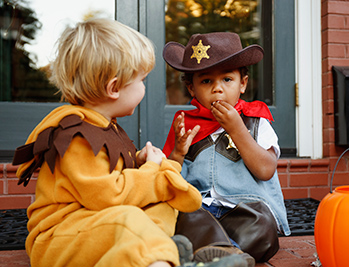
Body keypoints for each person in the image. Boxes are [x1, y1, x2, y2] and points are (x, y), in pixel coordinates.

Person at [12, 19, 247, 267]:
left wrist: (138, 161)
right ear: (114, 88)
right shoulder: (76, 137)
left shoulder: (104, 125)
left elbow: (107, 175)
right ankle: (163, 261)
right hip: (62, 237)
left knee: (161, 206)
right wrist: (152, 171)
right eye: (141, 80)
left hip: (96, 225)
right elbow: (109, 195)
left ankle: (161, 252)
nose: (144, 87)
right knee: (129, 218)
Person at [162, 32, 291, 266]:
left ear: (243, 84)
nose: (217, 89)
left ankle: (216, 251)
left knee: (262, 227)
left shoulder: (255, 121)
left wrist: (237, 129)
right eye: (206, 81)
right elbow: (169, 176)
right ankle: (228, 255)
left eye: (227, 80)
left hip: (246, 210)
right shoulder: (185, 125)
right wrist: (179, 153)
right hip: (201, 207)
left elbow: (265, 170)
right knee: (184, 215)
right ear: (192, 89)